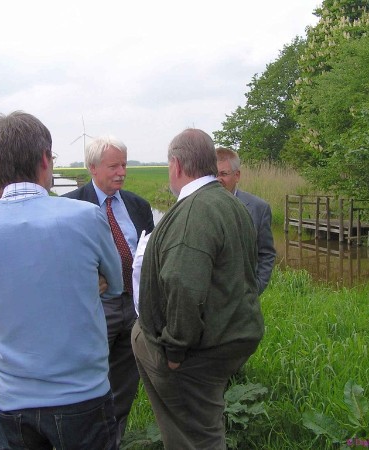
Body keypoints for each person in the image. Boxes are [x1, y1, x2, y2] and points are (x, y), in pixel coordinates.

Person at [0, 111, 121, 450]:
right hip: (81, 393)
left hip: (11, 398)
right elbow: (117, 283)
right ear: (46, 159)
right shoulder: (86, 216)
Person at [132, 129, 264, 449]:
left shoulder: (193, 211)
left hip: (196, 350)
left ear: (176, 165)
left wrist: (175, 350)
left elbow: (183, 283)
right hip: (230, 336)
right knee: (204, 423)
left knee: (195, 435)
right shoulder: (230, 204)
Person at [63, 136, 154, 445]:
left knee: (126, 382)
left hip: (135, 306)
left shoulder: (138, 206)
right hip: (95, 307)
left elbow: (149, 252)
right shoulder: (71, 207)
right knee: (89, 380)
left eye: (124, 165)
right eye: (113, 165)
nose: (121, 172)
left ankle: (115, 439)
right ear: (93, 168)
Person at [216, 147, 276, 294]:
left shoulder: (259, 209)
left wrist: (257, 287)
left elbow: (266, 253)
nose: (218, 179)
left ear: (237, 176)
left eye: (223, 174)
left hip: (243, 300)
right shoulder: (199, 206)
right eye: (213, 174)